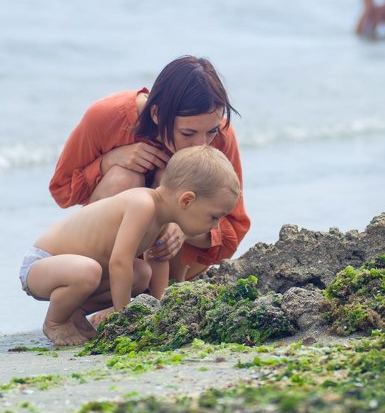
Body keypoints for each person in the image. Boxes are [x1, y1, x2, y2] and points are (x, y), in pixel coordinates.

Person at [49, 56, 250, 284]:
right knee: (124, 177)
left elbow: (234, 229)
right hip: (110, 262)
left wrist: (186, 225)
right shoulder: (108, 116)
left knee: (172, 183)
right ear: (156, 114)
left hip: (180, 266)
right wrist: (107, 162)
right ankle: (99, 288)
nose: (201, 144)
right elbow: (62, 191)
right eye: (187, 133)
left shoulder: (223, 136)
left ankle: (161, 296)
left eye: (211, 131)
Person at [22, 145, 241, 347]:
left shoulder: (163, 219)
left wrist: (160, 310)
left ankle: (74, 311)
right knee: (90, 271)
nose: (215, 225)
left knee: (141, 273)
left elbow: (157, 260)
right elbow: (119, 262)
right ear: (186, 200)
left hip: (75, 274)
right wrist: (124, 318)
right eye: (214, 217)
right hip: (43, 264)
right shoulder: (143, 205)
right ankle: (55, 322)